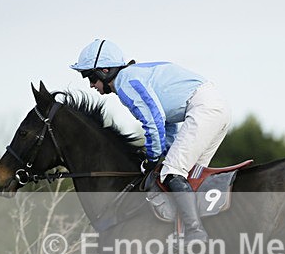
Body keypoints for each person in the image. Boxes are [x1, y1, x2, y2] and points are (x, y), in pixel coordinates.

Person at [70, 39, 231, 243]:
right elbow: (166, 121)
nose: (91, 85)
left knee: (172, 172)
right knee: (189, 177)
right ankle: (197, 231)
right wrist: (165, 151)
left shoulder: (125, 82)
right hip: (215, 107)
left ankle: (195, 232)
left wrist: (153, 155)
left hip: (205, 108)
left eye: (90, 76)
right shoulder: (134, 75)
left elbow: (153, 121)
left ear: (104, 70)